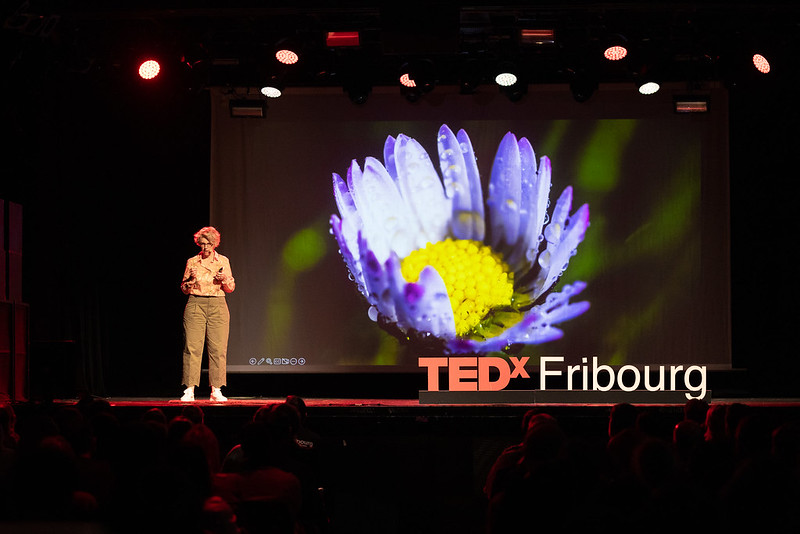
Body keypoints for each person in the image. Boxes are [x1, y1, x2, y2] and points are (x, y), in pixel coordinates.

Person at [180, 226, 235, 402]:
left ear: (215, 244)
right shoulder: (192, 262)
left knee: (218, 349)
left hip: (218, 304)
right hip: (196, 303)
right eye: (203, 244)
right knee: (192, 348)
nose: (206, 248)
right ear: (198, 243)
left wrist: (224, 279)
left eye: (209, 244)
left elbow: (231, 288)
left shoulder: (223, 261)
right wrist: (190, 280)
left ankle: (216, 389)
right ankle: (189, 389)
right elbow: (184, 289)